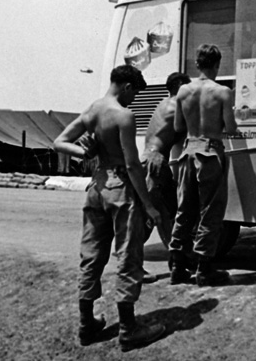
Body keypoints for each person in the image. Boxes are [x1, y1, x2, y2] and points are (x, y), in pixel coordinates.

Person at [54, 65, 165, 351]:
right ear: (126, 86)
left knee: (91, 256)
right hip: (120, 189)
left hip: (96, 187)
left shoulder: (93, 109)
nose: (134, 99)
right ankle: (129, 329)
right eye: (135, 93)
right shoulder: (123, 115)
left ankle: (86, 325)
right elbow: (131, 165)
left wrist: (84, 152)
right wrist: (148, 205)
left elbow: (59, 142)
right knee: (128, 256)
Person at [168, 44, 239, 287]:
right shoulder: (222, 92)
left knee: (184, 210)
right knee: (210, 212)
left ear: (197, 65)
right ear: (217, 65)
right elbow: (230, 129)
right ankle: (204, 269)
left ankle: (177, 266)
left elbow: (178, 127)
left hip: (188, 151)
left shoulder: (183, 91)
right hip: (210, 152)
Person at [141, 72, 191, 250]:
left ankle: (177, 258)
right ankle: (131, 261)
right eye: (187, 86)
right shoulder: (176, 104)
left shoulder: (162, 103)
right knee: (162, 212)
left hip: (150, 159)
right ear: (179, 85)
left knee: (161, 211)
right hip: (156, 160)